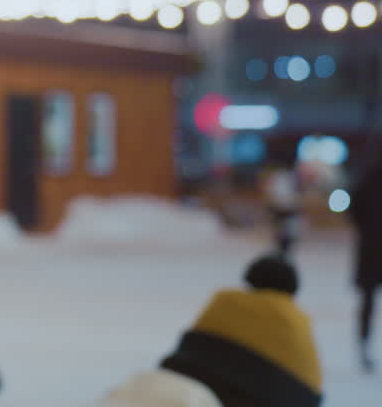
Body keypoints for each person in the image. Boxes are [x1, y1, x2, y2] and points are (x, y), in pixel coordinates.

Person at [90, 254, 322, 407]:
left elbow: (191, 348)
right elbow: (308, 390)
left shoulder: (225, 300)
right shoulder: (297, 321)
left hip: (192, 380)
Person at [348, 160, 382, 372]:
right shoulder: (368, 180)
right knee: (368, 300)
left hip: (369, 247)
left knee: (367, 300)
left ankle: (364, 345)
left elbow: (354, 210)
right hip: (370, 248)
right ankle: (364, 346)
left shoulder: (366, 180)